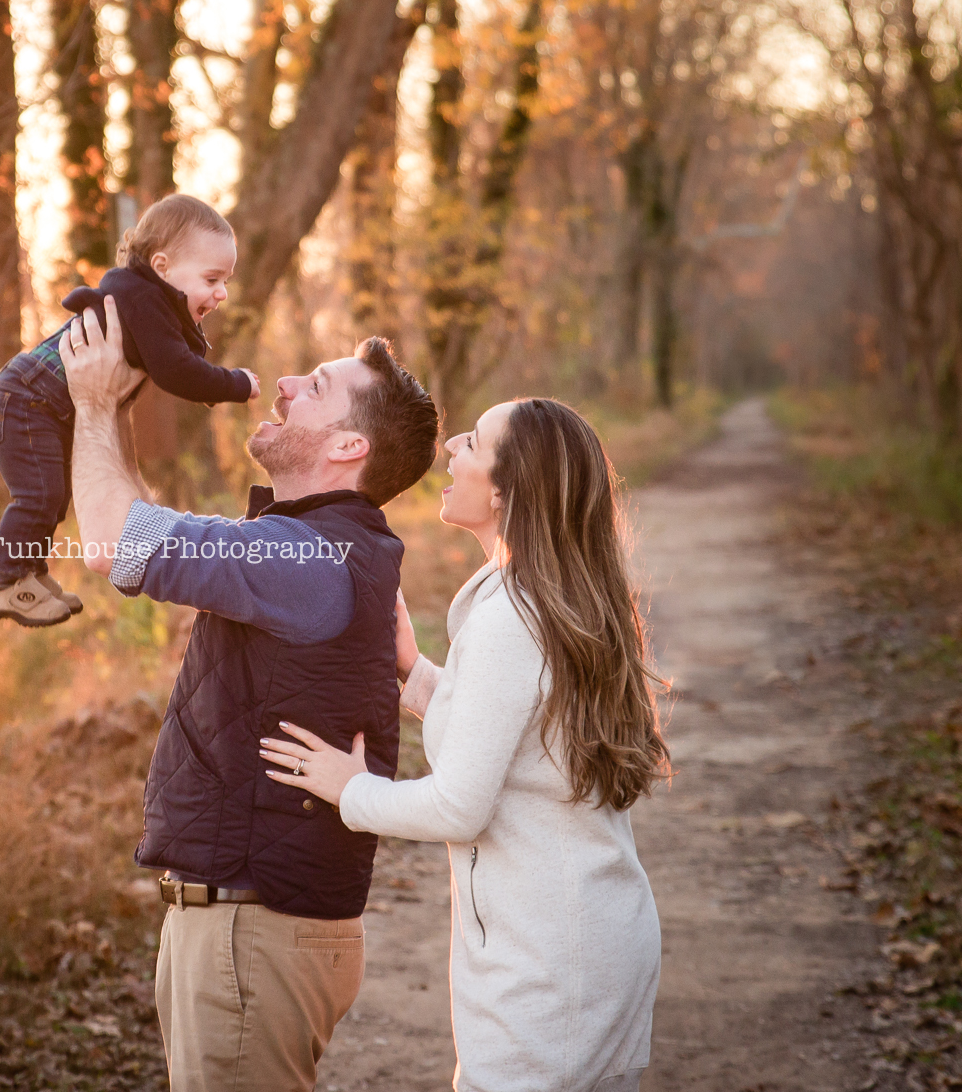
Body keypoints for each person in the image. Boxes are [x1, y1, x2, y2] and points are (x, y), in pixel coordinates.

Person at [58, 298, 440, 1092]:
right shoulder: (317, 547)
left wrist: (91, 403)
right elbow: (137, 523)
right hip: (253, 931)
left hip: (252, 936)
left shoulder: (304, 558)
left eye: (318, 385)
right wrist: (118, 409)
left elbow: (110, 539)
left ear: (348, 445)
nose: (287, 383)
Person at [260, 397, 669, 1092]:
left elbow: (458, 807)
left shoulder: (511, 617)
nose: (451, 447)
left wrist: (350, 790)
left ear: (507, 490)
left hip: (549, 965)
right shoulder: (544, 598)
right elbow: (527, 733)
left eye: (473, 442)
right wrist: (416, 674)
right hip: (587, 939)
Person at [0, 194, 262, 627]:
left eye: (225, 280)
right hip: (23, 401)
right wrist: (235, 383)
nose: (221, 292)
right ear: (163, 267)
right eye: (211, 278)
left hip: (35, 404)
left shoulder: (149, 301)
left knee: (52, 496)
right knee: (39, 496)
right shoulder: (142, 300)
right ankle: (5, 583)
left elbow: (180, 363)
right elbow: (177, 371)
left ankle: (28, 573)